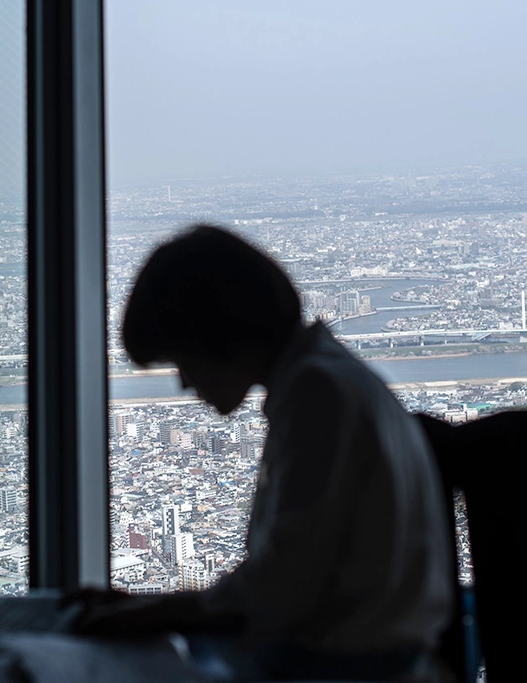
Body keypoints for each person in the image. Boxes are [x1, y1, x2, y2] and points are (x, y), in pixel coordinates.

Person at [75, 225, 454, 682]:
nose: (184, 383)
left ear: (220, 338)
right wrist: (156, 607)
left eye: (183, 360)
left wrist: (158, 612)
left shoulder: (318, 395)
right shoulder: (327, 378)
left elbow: (283, 590)